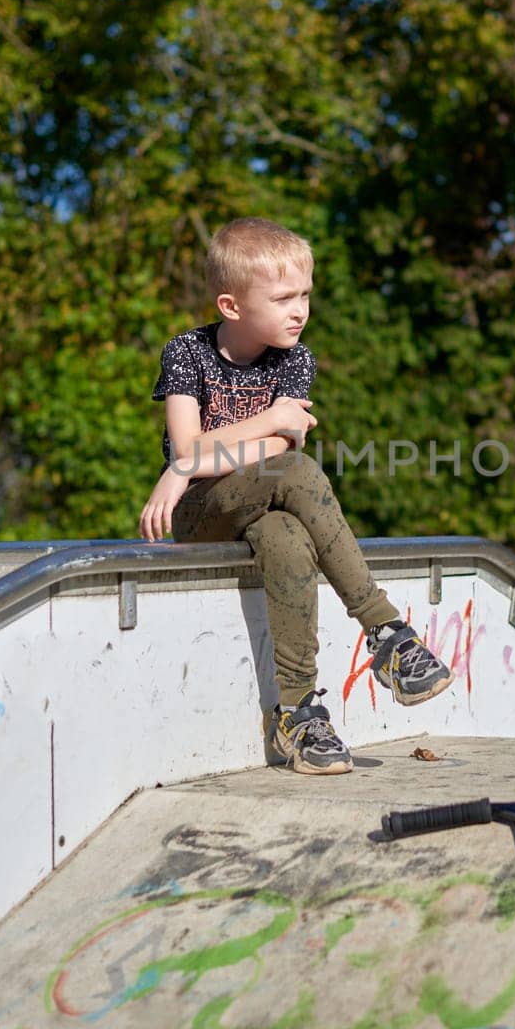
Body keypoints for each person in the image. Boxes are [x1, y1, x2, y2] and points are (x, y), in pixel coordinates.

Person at [140, 216, 454, 775]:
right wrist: (199, 458)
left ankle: (299, 714)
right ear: (232, 306)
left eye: (305, 294)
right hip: (201, 513)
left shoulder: (296, 359)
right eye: (283, 297)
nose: (299, 310)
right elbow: (199, 446)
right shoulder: (187, 353)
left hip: (261, 504)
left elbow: (273, 444)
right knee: (300, 472)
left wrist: (193, 460)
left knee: (287, 538)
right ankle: (386, 632)